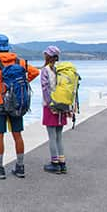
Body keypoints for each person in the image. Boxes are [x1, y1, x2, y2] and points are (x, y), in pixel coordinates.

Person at [0, 34, 39, 179]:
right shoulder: (19, 61)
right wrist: (20, 84)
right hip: (17, 103)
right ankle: (20, 167)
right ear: (7, 48)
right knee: (17, 134)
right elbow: (35, 72)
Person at [40, 45, 68, 174]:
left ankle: (54, 163)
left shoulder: (45, 70)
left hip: (50, 106)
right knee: (59, 136)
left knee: (51, 136)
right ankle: (62, 163)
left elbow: (45, 89)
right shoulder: (59, 70)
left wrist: (50, 104)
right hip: (62, 106)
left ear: (47, 55)